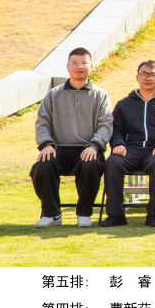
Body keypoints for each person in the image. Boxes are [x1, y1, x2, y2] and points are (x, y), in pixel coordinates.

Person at [29, 47, 113, 228]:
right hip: (58, 148)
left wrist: (94, 146)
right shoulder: (54, 94)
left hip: (88, 148)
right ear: (67, 67)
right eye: (74, 63)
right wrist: (46, 144)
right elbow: (42, 123)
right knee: (42, 166)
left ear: (91, 66)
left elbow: (105, 125)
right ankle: (51, 214)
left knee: (91, 165)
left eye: (83, 63)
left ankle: (84, 213)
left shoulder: (100, 95)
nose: (79, 66)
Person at [99, 61, 155, 228]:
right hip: (130, 150)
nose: (148, 78)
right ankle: (116, 215)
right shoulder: (124, 104)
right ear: (137, 77)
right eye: (144, 74)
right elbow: (116, 129)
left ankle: (153, 215)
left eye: (152, 75)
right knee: (112, 162)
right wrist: (118, 144)